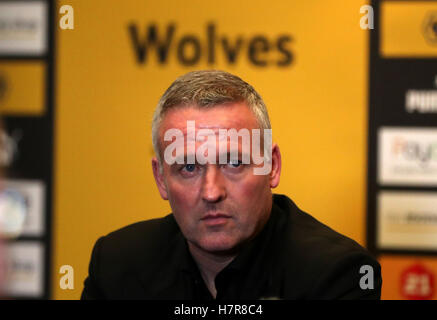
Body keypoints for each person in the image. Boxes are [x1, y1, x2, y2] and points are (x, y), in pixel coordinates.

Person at [81, 70, 382, 300]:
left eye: (234, 164)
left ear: (272, 166)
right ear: (161, 179)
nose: (212, 192)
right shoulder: (117, 265)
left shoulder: (336, 275)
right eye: (188, 167)